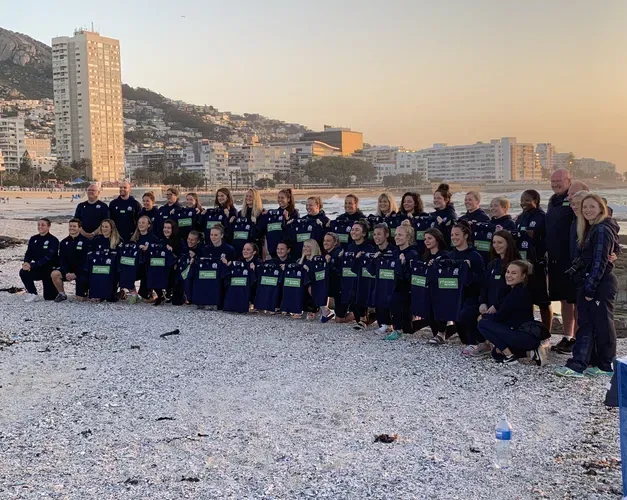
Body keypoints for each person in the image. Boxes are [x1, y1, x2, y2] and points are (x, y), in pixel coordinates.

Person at [555, 194, 619, 378]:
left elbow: (599, 263)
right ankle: (597, 364)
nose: (587, 210)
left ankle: (590, 365)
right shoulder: (592, 228)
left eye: (592, 207)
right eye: (585, 207)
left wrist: (590, 288)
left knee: (601, 325)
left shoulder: (601, 230)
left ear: (601, 208)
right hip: (590, 281)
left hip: (599, 284)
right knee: (591, 325)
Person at [463, 230, 520, 357]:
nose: (496, 245)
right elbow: (484, 286)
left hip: (505, 308)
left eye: (500, 242)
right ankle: (482, 343)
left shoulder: (515, 264)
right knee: (468, 313)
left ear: (508, 243)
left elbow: (513, 292)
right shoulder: (493, 263)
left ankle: (494, 344)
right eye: (494, 242)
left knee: (483, 320)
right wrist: (482, 302)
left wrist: (497, 306)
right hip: (488, 305)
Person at [477, 260, 543, 365]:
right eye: (508, 272)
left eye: (514, 273)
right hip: (525, 335)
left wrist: (483, 316)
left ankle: (510, 355)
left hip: (522, 335)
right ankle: (530, 352)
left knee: (482, 324)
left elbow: (499, 317)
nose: (509, 275)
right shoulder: (518, 290)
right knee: (496, 353)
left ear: (523, 276)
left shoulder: (516, 294)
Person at [430, 222, 485, 345]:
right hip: (453, 295)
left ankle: (477, 339)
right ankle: (441, 332)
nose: (454, 237)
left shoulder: (475, 256)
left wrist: (469, 271)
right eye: (452, 235)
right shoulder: (449, 255)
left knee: (466, 339)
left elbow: (482, 281)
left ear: (465, 236)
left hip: (470, 297)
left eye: (457, 234)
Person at [546, 169, 576, 352]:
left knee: (576, 300)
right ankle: (567, 336)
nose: (555, 184)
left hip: (571, 259)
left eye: (559, 180)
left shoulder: (574, 197)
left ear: (568, 180)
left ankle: (579, 339)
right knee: (564, 300)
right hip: (555, 259)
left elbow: (601, 209)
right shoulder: (552, 200)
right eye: (553, 181)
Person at [516, 189, 552, 330]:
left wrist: (534, 235)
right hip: (522, 264)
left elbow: (546, 238)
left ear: (535, 200)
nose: (523, 203)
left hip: (538, 263)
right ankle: (528, 328)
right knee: (526, 299)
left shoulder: (542, 217)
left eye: (526, 200)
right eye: (522, 200)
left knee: (543, 301)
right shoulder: (520, 217)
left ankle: (547, 333)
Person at [385, 224, 419, 340]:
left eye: (400, 235)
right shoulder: (396, 252)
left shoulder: (413, 254)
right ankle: (398, 327)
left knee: (393, 299)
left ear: (408, 237)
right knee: (408, 329)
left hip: (409, 290)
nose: (396, 237)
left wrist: (403, 264)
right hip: (397, 288)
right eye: (395, 235)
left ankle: (397, 329)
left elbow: (410, 277)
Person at [368, 223, 399, 334]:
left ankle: (394, 325)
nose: (376, 237)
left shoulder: (394, 250)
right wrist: (374, 259)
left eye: (379, 234)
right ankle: (383, 324)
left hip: (391, 283)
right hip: (379, 283)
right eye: (375, 234)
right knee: (378, 296)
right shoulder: (375, 251)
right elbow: (370, 271)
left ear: (386, 235)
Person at [20, 218, 59, 302]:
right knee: (23, 271)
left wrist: (32, 265)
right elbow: (29, 253)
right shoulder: (33, 238)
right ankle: (32, 293)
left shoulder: (53, 240)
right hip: (37, 268)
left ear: (48, 226)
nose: (40, 227)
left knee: (49, 298)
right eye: (38, 225)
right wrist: (26, 263)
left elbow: (48, 258)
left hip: (49, 270)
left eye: (43, 225)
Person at [51, 218, 90, 302]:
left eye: (74, 226)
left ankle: (87, 292)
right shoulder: (64, 242)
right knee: (54, 274)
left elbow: (86, 260)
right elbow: (62, 259)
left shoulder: (86, 242)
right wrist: (67, 272)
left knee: (80, 299)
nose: (72, 228)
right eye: (70, 226)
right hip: (68, 270)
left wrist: (76, 273)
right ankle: (62, 294)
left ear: (79, 228)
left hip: (81, 271)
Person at [322, 232, 343, 323]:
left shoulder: (339, 253)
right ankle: (324, 310)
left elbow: (338, 272)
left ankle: (365, 318)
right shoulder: (327, 253)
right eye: (324, 240)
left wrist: (328, 263)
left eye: (328, 241)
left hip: (340, 287)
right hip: (331, 285)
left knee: (339, 319)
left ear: (335, 243)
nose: (325, 243)